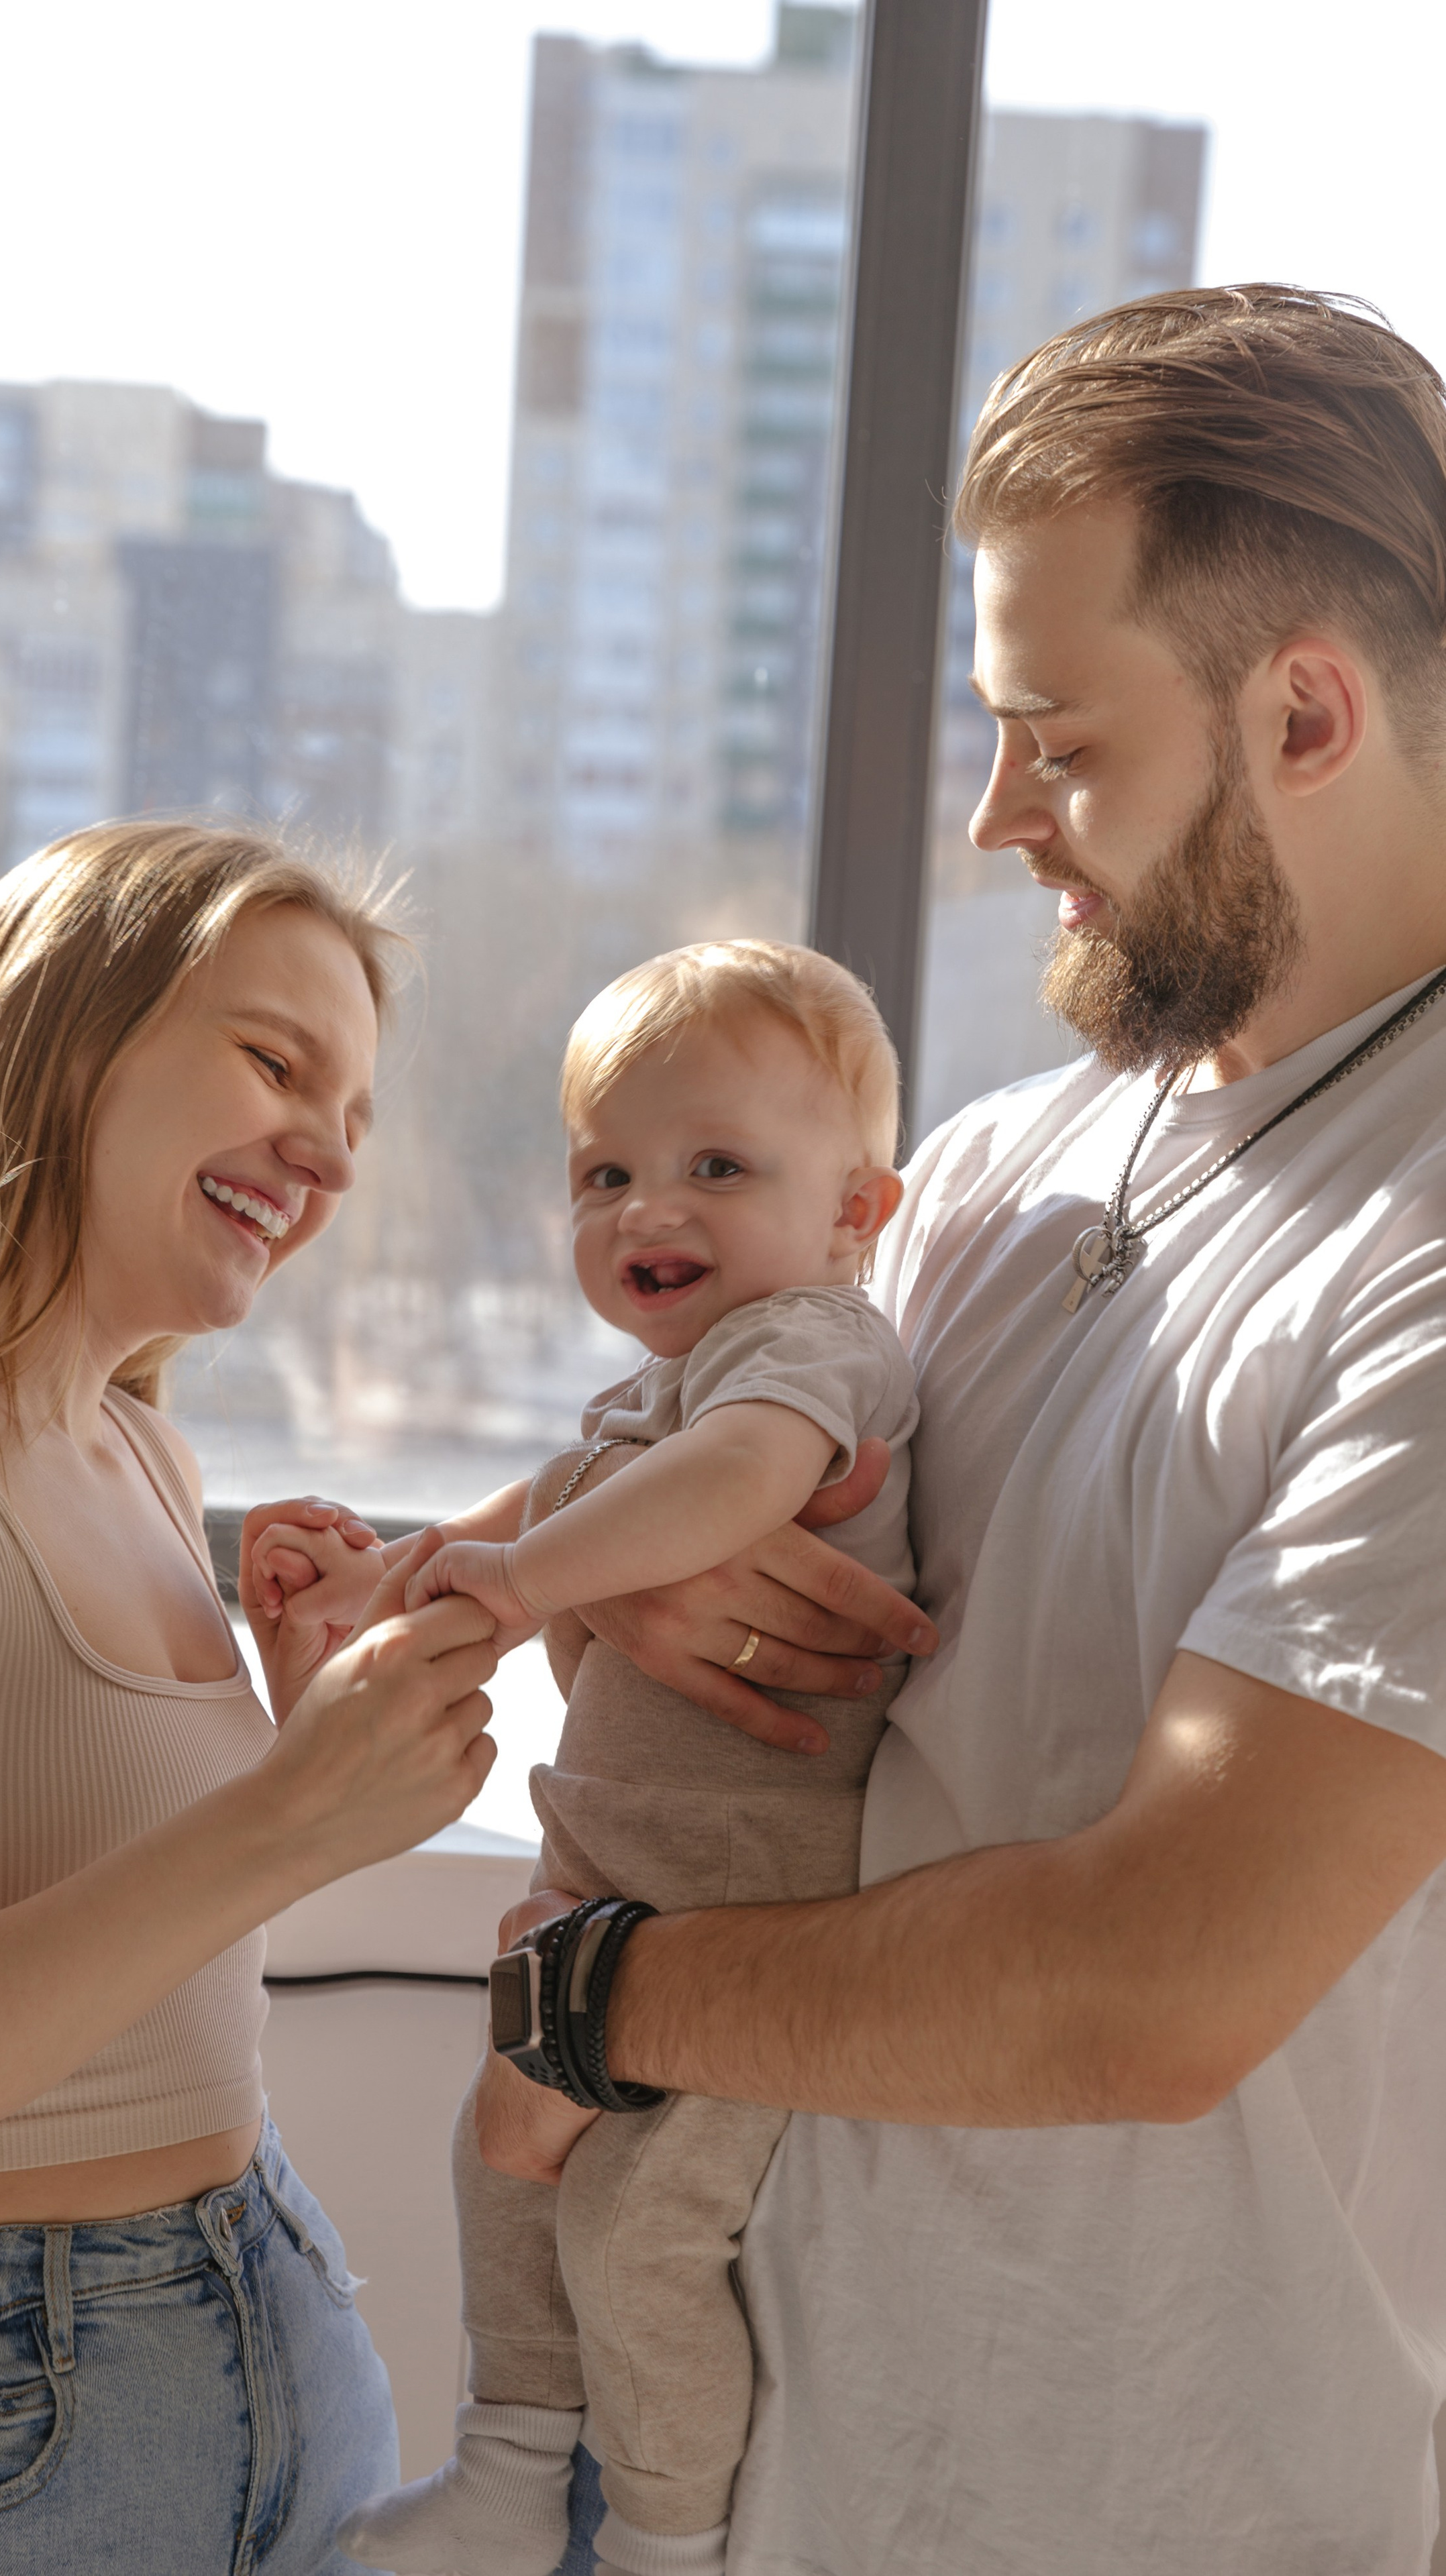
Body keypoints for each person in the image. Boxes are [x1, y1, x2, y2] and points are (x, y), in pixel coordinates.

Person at [466, 284, 1446, 2575]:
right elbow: (736, 1555)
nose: (1002, 815)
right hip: (783, 2478)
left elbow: (1148, 1987)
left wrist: (585, 2003)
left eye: (1060, 743)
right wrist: (663, 1565)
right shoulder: (1001, 1167)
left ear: (1306, 711)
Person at [0, 821, 501, 2575]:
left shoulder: (146, 1450)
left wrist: (313, 1745)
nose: (330, 1156)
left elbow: (128, 1937)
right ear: (65, 1037)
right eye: (276, 1064)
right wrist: (284, 1814)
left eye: (355, 1114)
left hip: (265, 2311)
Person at [253, 939, 918, 2576]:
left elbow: (729, 1487)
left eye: (716, 1168)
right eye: (603, 1175)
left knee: (637, 2232)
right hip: (612, 1882)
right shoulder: (655, 1391)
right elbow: (541, 1512)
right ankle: (503, 2469)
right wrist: (381, 1579)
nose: (645, 1210)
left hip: (738, 1903)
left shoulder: (807, 1349)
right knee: (500, 2170)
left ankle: (661, 2538)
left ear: (854, 1213)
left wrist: (523, 1581)